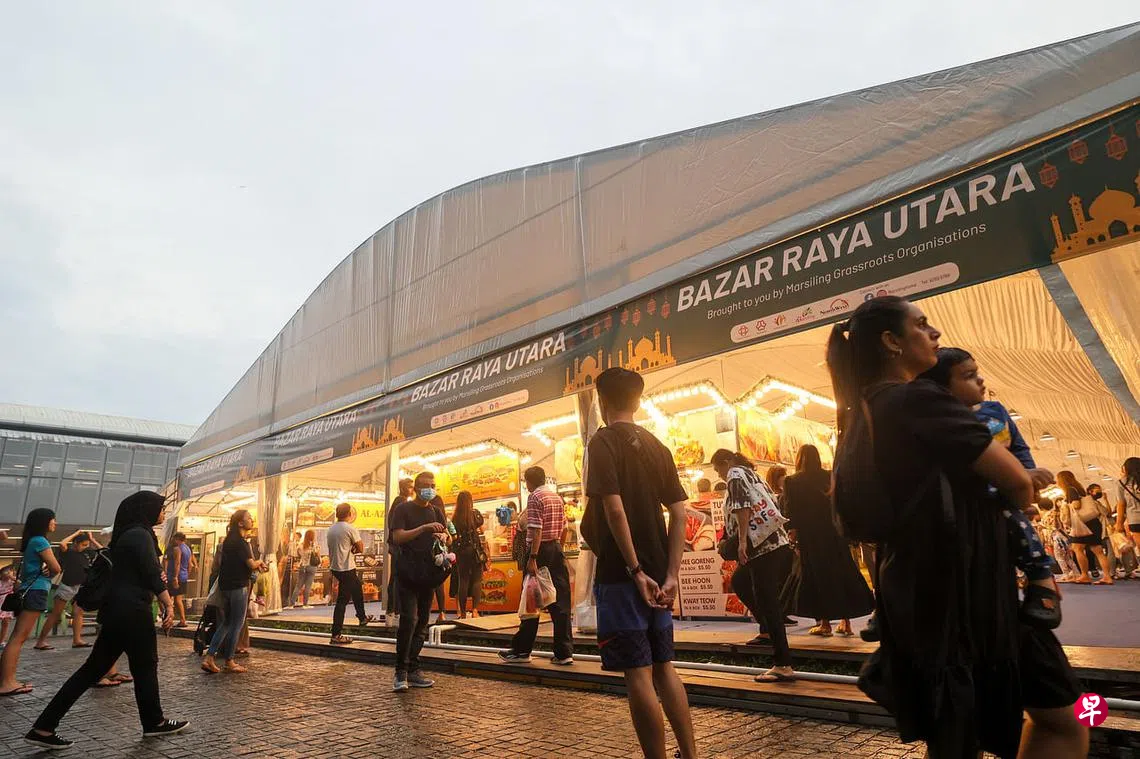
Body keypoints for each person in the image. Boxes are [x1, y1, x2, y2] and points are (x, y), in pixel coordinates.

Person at [826, 295, 1085, 758]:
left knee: (958, 734)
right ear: (891, 341)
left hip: (921, 593)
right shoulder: (917, 400)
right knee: (1064, 716)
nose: (935, 333)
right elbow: (1017, 484)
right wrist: (1019, 491)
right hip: (971, 592)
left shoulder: (860, 411)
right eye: (922, 325)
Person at [583, 367, 696, 759]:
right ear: (638, 400)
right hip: (660, 577)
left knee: (638, 673)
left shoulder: (602, 442)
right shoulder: (657, 446)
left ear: (602, 401)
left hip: (622, 577)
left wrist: (635, 571)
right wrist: (671, 575)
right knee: (665, 666)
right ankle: (690, 754)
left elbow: (614, 510)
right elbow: (680, 513)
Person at [25, 491, 188, 748]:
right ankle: (153, 722)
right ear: (146, 509)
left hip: (118, 610)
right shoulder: (139, 534)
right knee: (143, 665)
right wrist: (168, 604)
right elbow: (151, 573)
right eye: (160, 508)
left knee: (99, 669)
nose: (163, 512)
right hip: (133, 611)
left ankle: (44, 727)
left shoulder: (128, 534)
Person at [920, 348, 1062, 626]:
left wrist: (1028, 477)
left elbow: (1019, 447)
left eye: (977, 373)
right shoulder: (940, 420)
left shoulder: (995, 411)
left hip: (1001, 495)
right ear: (942, 389)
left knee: (1020, 529)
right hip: (963, 499)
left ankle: (1042, 581)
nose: (981, 380)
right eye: (968, 376)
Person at [711, 448, 796, 683]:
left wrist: (740, 542)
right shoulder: (752, 473)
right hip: (773, 542)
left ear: (726, 462)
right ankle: (767, 630)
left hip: (761, 547)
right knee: (740, 581)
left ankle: (783, 664)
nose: (719, 475)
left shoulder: (735, 474)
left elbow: (742, 506)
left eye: (718, 469)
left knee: (768, 602)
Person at [782, 444, 873, 638]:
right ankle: (846, 622)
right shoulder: (829, 476)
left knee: (818, 578)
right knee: (842, 573)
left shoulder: (792, 481)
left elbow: (791, 512)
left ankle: (825, 624)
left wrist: (793, 535)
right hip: (834, 534)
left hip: (811, 537)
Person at [499, 466, 575, 665]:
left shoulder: (535, 497)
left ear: (529, 482)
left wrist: (533, 557)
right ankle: (564, 652)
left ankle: (522, 650)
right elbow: (565, 527)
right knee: (561, 601)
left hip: (539, 551)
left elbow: (536, 530)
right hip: (556, 548)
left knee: (530, 601)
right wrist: (559, 548)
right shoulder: (556, 497)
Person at [388, 471, 448, 692]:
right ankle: (401, 671)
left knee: (423, 622)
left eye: (433, 485)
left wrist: (444, 537)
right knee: (409, 620)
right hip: (407, 572)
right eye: (425, 485)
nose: (430, 489)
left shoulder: (436, 511)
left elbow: (448, 536)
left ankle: (413, 668)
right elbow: (397, 537)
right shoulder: (403, 509)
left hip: (428, 573)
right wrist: (423, 529)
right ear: (416, 487)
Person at [0, 508, 60, 696]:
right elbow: (56, 567)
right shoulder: (40, 541)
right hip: (36, 591)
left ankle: (8, 680)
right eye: (53, 519)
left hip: (28, 590)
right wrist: (51, 569)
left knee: (17, 637)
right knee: (18, 638)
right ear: (44, 521)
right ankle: (7, 682)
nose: (55, 523)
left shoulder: (31, 541)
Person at [201, 509, 267, 674]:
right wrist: (260, 562)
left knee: (227, 622)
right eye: (249, 518)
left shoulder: (228, 541)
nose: (252, 520)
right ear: (240, 523)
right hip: (238, 586)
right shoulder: (241, 543)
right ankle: (229, 660)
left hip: (226, 585)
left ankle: (209, 657)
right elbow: (250, 564)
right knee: (236, 623)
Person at [34, 531, 99, 651]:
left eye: (86, 545)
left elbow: (102, 551)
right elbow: (62, 544)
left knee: (78, 612)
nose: (85, 547)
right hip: (67, 586)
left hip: (80, 587)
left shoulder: (87, 553)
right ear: (75, 543)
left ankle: (77, 640)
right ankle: (41, 641)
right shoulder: (68, 552)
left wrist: (92, 539)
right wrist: (76, 533)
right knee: (56, 614)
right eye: (83, 544)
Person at [327, 503, 376, 645]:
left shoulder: (331, 529)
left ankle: (362, 617)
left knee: (357, 587)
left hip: (336, 567)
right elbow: (360, 547)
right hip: (346, 567)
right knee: (342, 601)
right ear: (349, 514)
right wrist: (354, 548)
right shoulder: (349, 528)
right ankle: (336, 634)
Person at [1057, 470, 1113, 586]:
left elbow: (1077, 505)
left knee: (1077, 548)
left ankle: (1084, 575)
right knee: (1098, 550)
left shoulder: (1070, 490)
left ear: (1062, 480)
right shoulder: (1079, 489)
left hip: (1083, 524)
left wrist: (1066, 505)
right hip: (1093, 523)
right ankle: (1107, 577)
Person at [451, 491, 488, 619]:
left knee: (463, 580)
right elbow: (481, 522)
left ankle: (462, 612)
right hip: (474, 551)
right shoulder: (474, 514)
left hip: (461, 551)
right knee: (477, 580)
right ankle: (475, 610)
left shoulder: (455, 518)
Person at [386, 478, 415, 623]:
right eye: (410, 487)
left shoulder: (399, 502)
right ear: (403, 488)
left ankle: (392, 611)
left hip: (396, 545)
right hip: (399, 546)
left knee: (395, 578)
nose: (412, 489)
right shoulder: (401, 502)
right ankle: (395, 611)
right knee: (397, 579)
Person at [163, 532, 196, 629]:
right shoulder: (188, 549)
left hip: (174, 577)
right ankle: (181, 619)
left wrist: (175, 577)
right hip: (183, 576)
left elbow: (177, 563)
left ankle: (174, 619)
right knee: (178, 599)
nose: (173, 540)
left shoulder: (177, 549)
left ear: (177, 539)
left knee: (168, 598)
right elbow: (190, 565)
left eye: (174, 538)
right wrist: (186, 574)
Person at [290, 530, 320, 608]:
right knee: (308, 586)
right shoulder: (314, 545)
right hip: (312, 567)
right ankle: (305, 604)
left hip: (302, 566)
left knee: (298, 586)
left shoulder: (301, 545)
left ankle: (291, 604)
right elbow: (318, 555)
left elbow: (297, 554)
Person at [0, 565, 15, 650]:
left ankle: (1, 641)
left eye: (10, 572)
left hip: (7, 603)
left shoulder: (12, 582)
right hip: (0, 601)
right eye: (6, 572)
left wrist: (13, 578)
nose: (7, 574)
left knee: (5, 623)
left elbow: (19, 584)